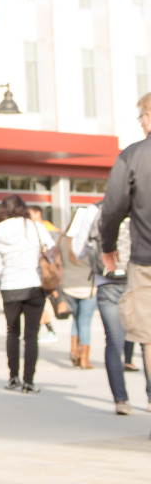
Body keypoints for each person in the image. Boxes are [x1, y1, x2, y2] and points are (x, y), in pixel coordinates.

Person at [0, 194, 56, 394]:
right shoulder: (34, 227)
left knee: (12, 332)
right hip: (34, 284)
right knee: (31, 335)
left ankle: (13, 377)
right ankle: (29, 381)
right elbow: (51, 250)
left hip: (10, 285)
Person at [102, 93, 151, 368]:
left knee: (149, 336)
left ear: (148, 117)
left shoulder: (133, 155)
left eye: (141, 118)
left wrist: (108, 246)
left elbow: (113, 208)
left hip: (146, 260)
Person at [89, 200, 150, 414]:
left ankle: (121, 400)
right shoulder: (141, 212)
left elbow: (82, 249)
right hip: (137, 282)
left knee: (114, 343)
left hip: (107, 283)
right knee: (146, 340)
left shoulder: (96, 213)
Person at [62, 204, 98, 369]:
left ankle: (73, 350)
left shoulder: (63, 239)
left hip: (68, 285)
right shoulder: (89, 240)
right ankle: (84, 357)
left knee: (76, 319)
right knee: (84, 322)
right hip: (87, 286)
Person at [28, 205, 60, 342]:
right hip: (36, 272)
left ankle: (48, 331)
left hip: (42, 272)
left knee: (43, 304)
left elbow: (54, 250)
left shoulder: (45, 228)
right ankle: (45, 330)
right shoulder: (31, 227)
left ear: (38, 213)